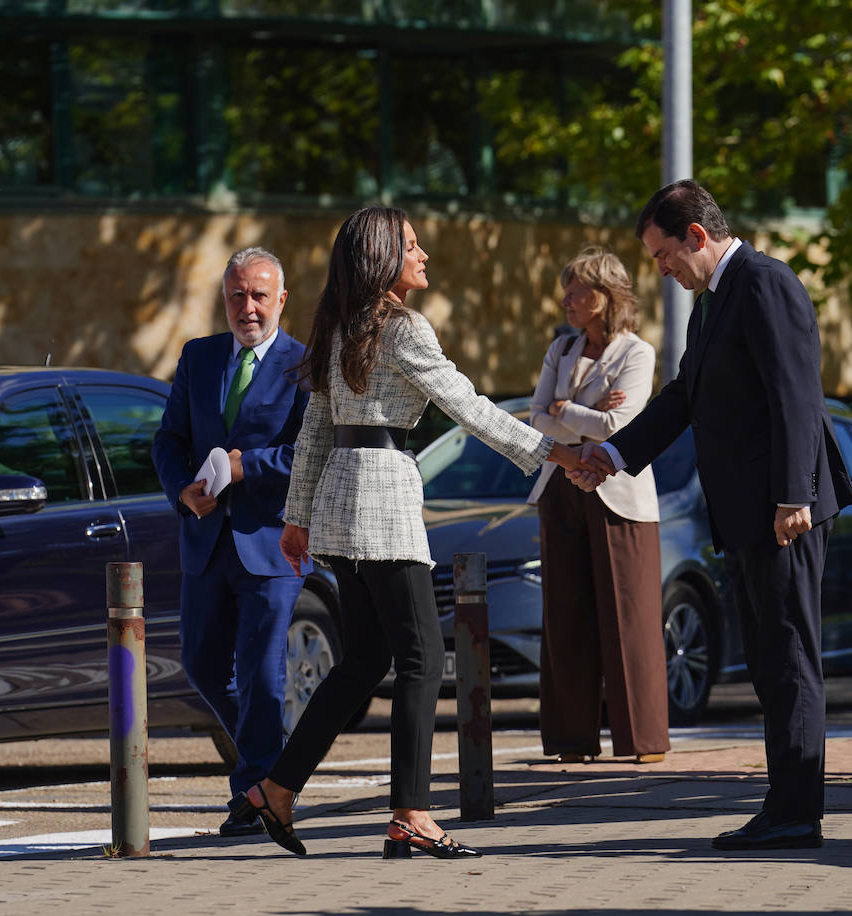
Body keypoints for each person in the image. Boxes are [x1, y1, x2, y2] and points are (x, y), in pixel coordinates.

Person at [229, 206, 587, 859]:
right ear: (383, 257)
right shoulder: (402, 328)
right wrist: (551, 452)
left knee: (365, 660)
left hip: (340, 505)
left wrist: (300, 517)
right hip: (384, 501)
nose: (424, 256)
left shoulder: (339, 327)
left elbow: (313, 434)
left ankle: (276, 791)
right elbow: (468, 406)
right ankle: (411, 813)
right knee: (422, 657)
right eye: (413, 247)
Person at [574, 180, 852, 850]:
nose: (661, 269)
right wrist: (613, 453)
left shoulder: (764, 283)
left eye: (664, 254)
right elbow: (683, 400)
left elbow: (795, 396)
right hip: (746, 514)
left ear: (697, 236)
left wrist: (794, 494)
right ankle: (785, 803)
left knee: (788, 658)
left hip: (784, 512)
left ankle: (795, 814)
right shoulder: (710, 305)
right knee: (767, 658)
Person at [151, 247, 311, 836]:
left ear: (281, 300)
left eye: (260, 296)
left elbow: (308, 453)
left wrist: (252, 467)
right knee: (200, 663)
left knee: (261, 671)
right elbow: (167, 442)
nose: (249, 308)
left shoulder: (306, 364)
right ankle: (272, 761)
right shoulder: (199, 357)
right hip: (206, 540)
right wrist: (181, 492)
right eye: (237, 295)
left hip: (271, 542)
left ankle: (254, 792)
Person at [528, 248, 670, 766]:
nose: (565, 300)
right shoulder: (560, 349)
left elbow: (621, 428)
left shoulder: (638, 353)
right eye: (565, 290)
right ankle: (570, 741)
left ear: (605, 296)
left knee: (628, 617)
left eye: (576, 290)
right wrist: (580, 414)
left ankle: (644, 741)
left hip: (620, 496)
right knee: (564, 615)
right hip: (559, 486)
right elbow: (534, 418)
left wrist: (565, 410)